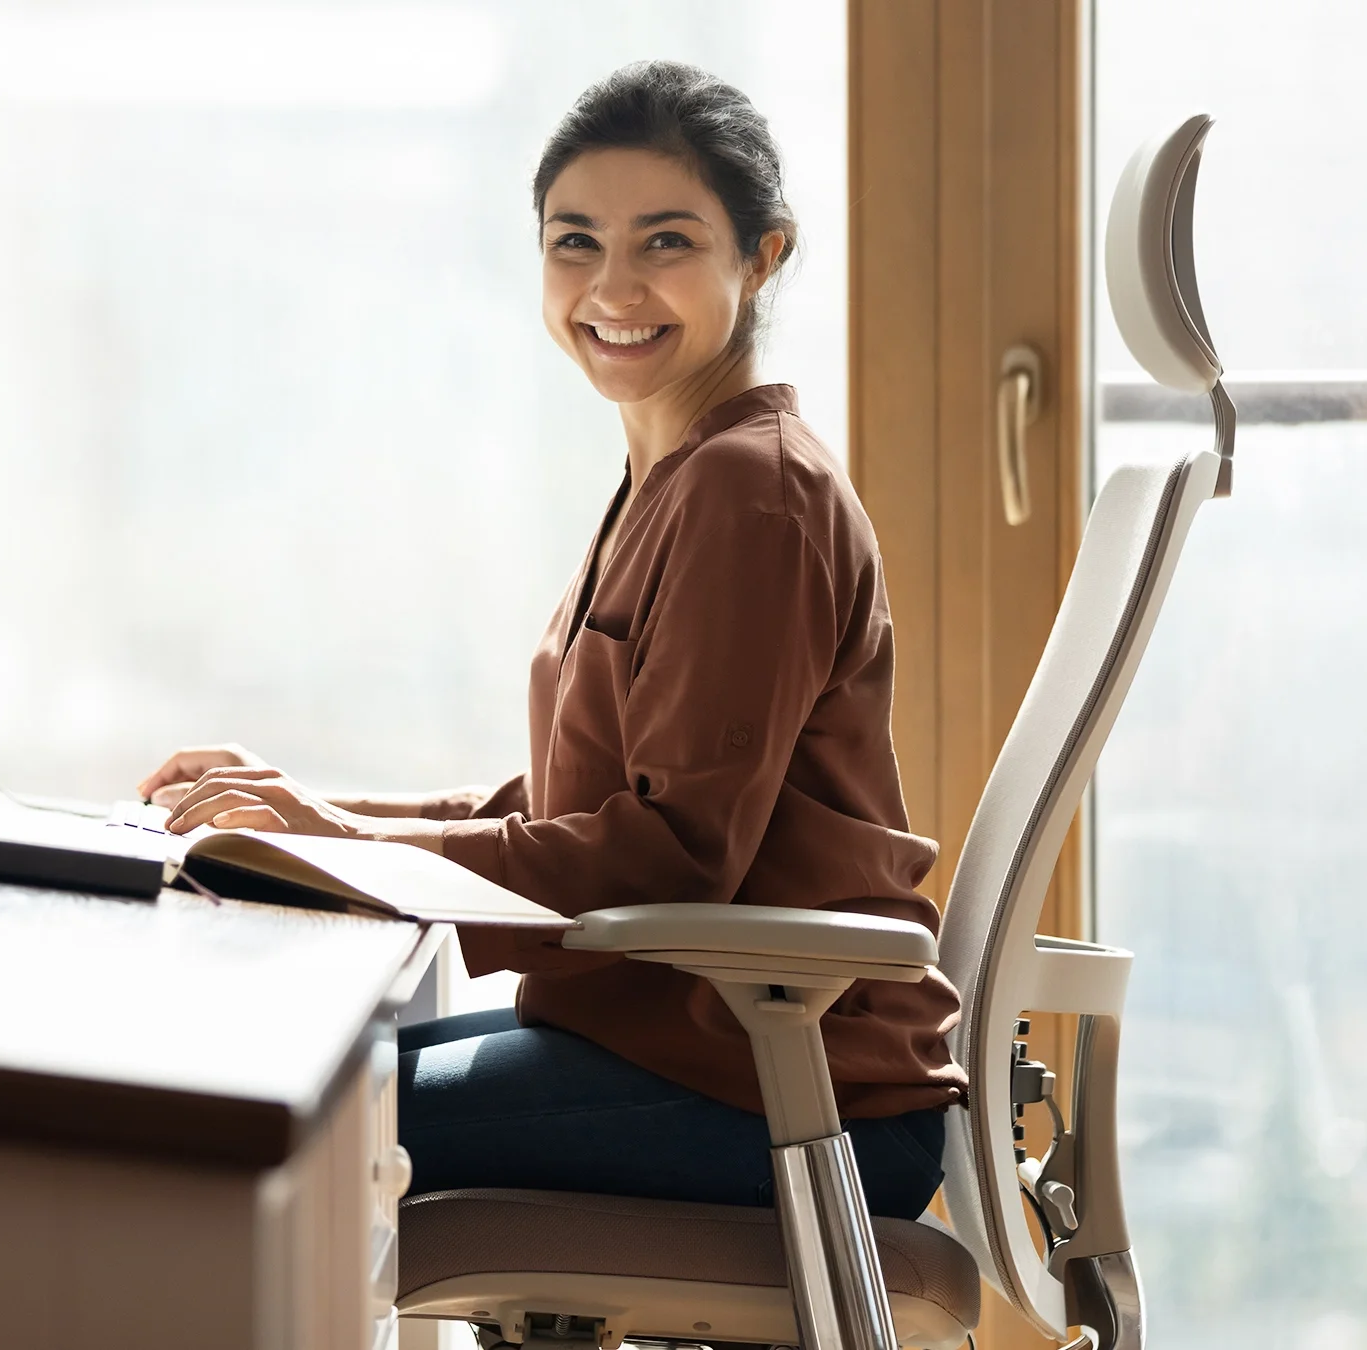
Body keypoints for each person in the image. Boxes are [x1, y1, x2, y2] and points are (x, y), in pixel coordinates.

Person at [136, 60, 964, 1220]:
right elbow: (581, 798)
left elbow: (671, 853)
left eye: (666, 243)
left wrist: (345, 848)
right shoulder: (675, 474)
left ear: (762, 256)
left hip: (777, 1090)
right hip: (691, 1054)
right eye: (575, 243)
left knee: (248, 1129)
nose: (612, 286)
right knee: (276, 1076)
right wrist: (325, 824)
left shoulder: (749, 493)